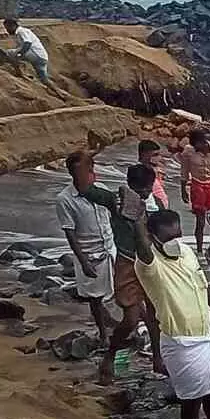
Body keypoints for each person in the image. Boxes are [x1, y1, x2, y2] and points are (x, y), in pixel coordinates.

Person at [124, 197, 210, 419]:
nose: (175, 241)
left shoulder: (186, 252)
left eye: (177, 235)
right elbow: (144, 250)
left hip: (206, 337)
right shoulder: (149, 265)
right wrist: (136, 222)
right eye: (168, 238)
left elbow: (203, 287)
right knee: (191, 401)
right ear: (153, 238)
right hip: (182, 343)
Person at [81, 162, 168, 383]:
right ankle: (110, 355)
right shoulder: (117, 201)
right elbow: (88, 191)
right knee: (130, 319)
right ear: (130, 186)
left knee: (155, 317)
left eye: (147, 189)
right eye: (140, 190)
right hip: (128, 262)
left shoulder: (156, 204)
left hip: (151, 263)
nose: (144, 194)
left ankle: (158, 359)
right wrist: (86, 167)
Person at [54, 152, 116, 345]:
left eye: (88, 170)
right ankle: (103, 333)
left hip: (110, 248)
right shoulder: (65, 199)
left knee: (122, 290)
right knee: (95, 297)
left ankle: (124, 327)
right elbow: (70, 232)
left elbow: (112, 216)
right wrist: (83, 262)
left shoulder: (102, 191)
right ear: (71, 173)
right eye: (79, 172)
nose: (85, 175)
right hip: (90, 253)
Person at [175, 129, 210, 256]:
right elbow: (184, 170)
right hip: (197, 184)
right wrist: (183, 190)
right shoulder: (188, 151)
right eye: (193, 146)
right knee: (200, 220)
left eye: (197, 146)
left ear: (204, 142)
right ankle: (199, 250)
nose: (195, 148)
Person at [2, 18, 51, 84]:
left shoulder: (21, 31)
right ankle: (57, 90)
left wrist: (19, 54)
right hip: (42, 57)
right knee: (44, 80)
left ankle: (18, 72)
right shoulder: (22, 32)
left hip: (36, 55)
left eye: (7, 28)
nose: (7, 30)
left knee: (10, 53)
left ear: (13, 25)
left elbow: (27, 43)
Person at [138, 140, 171, 208]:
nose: (159, 158)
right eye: (155, 155)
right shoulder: (141, 173)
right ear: (145, 155)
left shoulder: (155, 171)